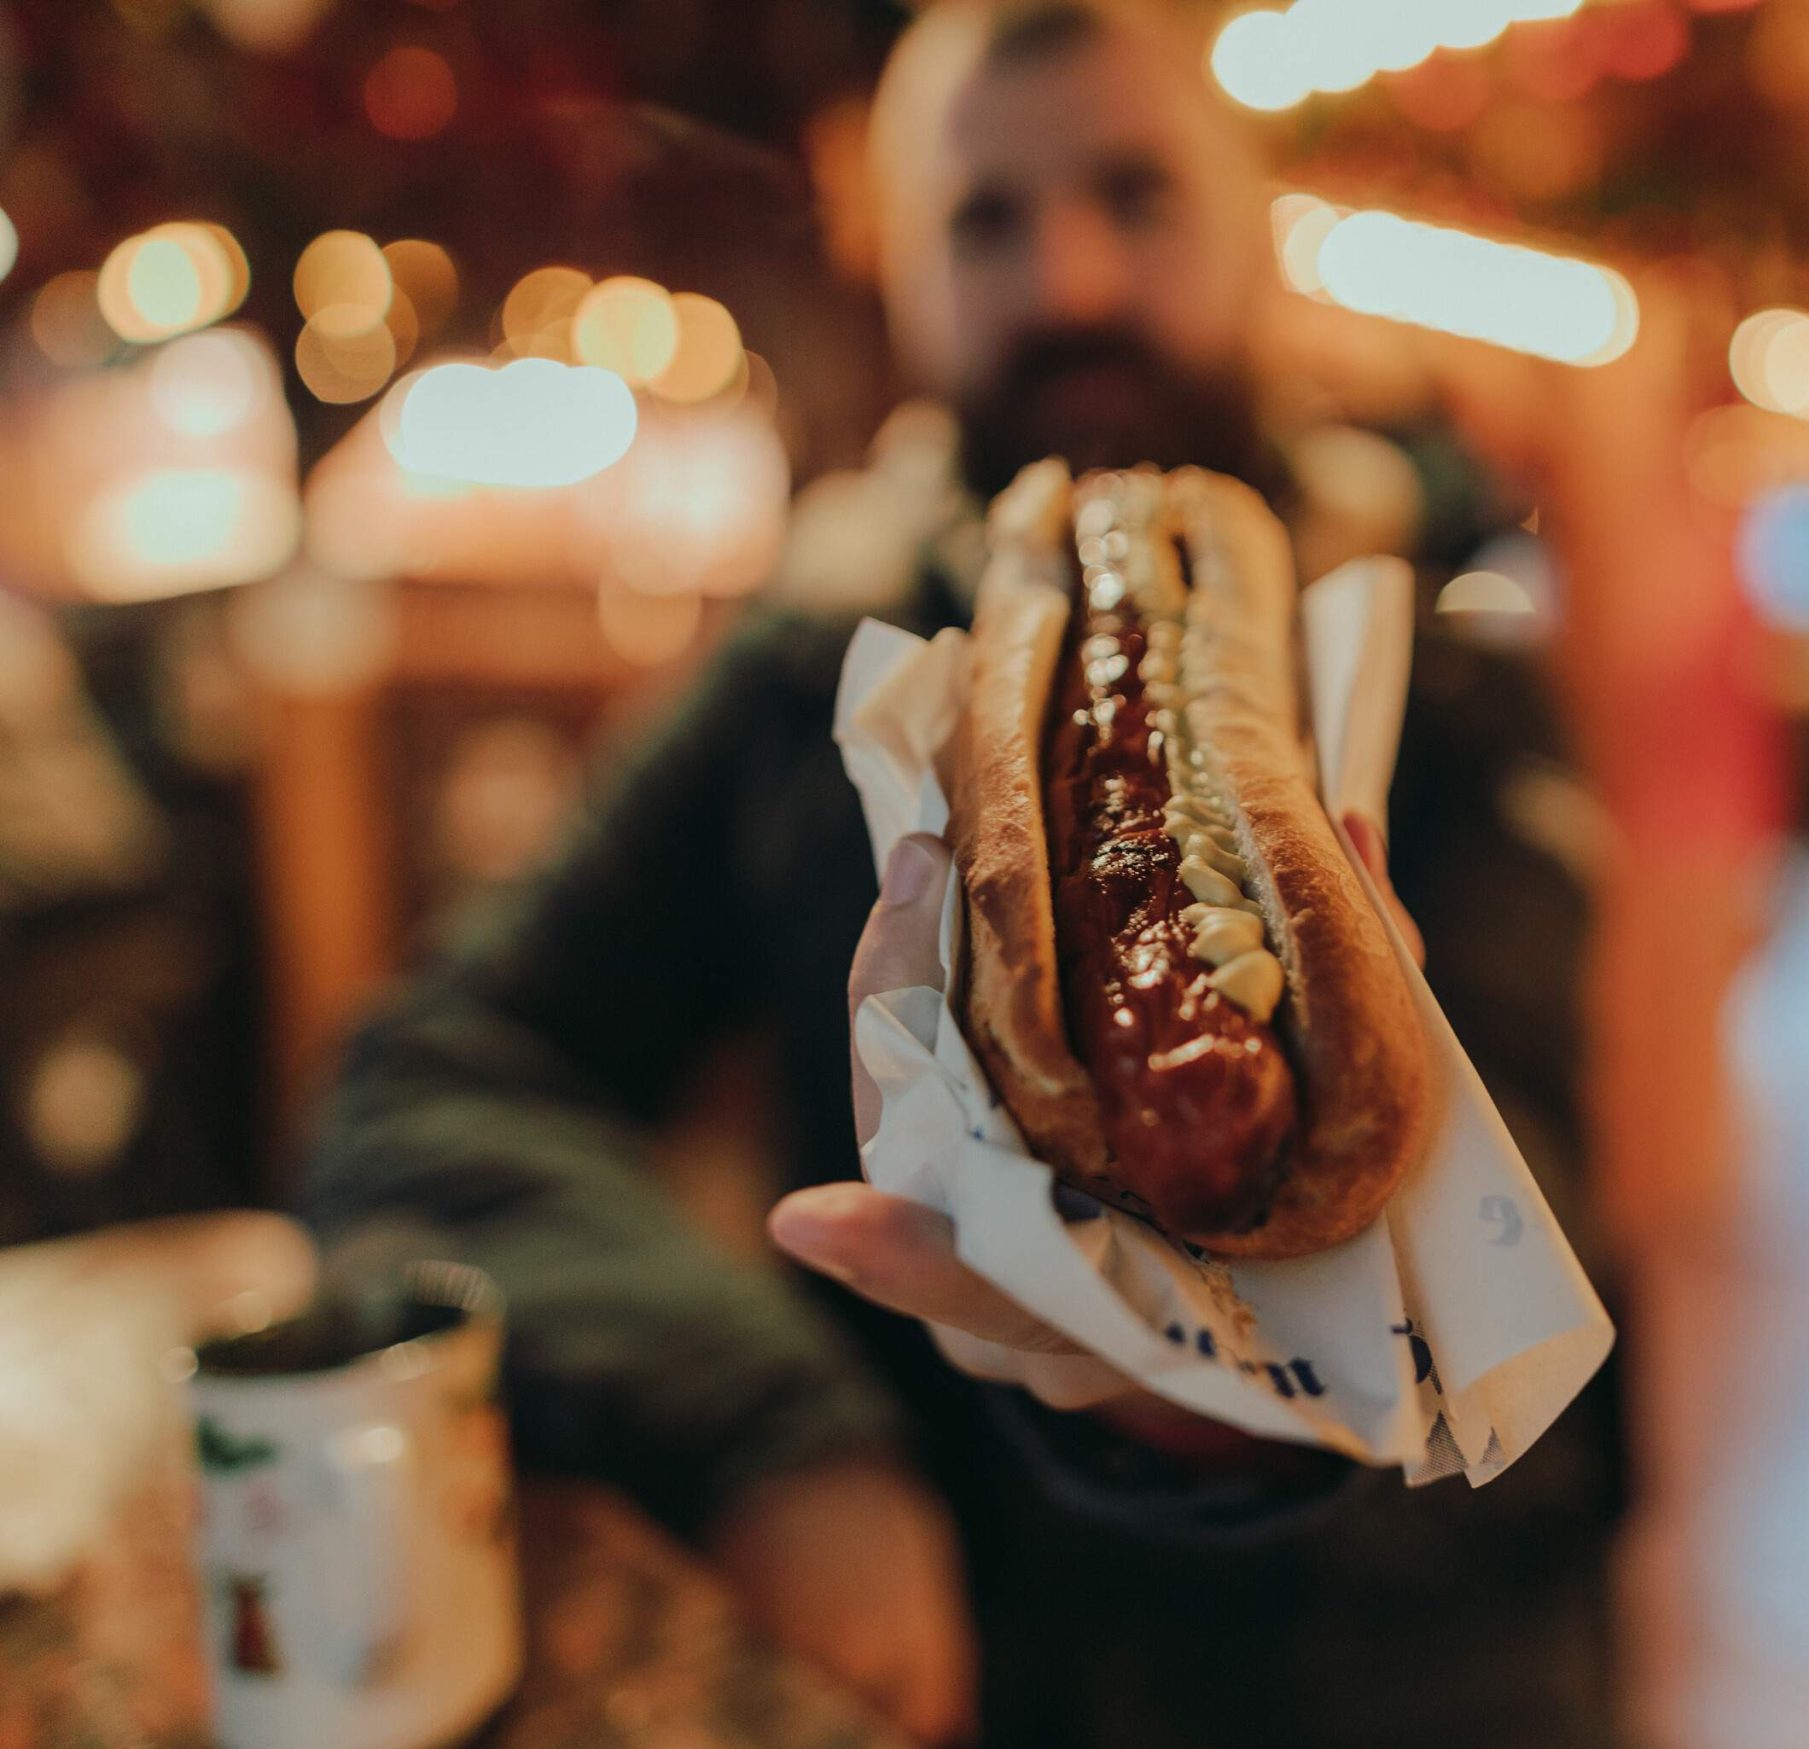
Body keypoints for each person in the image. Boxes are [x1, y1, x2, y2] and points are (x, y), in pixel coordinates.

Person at [302, 4, 1621, 1745]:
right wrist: (780, 1430)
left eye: (1135, 194)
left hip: (1408, 1691)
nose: (1067, 277)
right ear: (897, 265)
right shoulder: (793, 677)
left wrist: (1217, 1407)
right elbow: (416, 1087)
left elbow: (1543, 1325)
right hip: (937, 1689)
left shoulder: (1450, 662)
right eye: (985, 221)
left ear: (1250, 225)